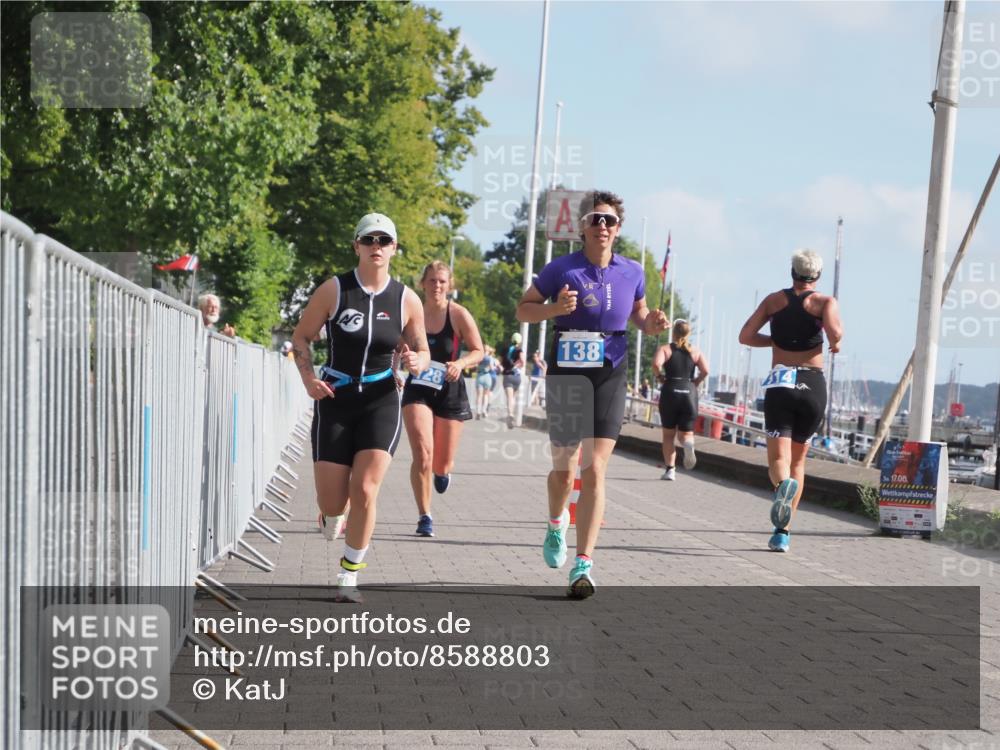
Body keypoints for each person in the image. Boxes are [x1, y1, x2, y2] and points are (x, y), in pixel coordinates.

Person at [516, 190, 668, 598]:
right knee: (564, 473)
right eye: (595, 219)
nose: (603, 226)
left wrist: (651, 324)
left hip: (610, 372)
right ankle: (555, 523)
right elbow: (523, 309)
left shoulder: (632, 271)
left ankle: (583, 565)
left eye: (610, 221)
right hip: (567, 372)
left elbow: (637, 313)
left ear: (618, 230)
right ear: (582, 227)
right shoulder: (560, 269)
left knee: (595, 469)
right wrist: (553, 310)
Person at [290, 212, 429, 600]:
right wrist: (308, 380)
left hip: (382, 398)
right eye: (369, 240)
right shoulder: (333, 290)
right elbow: (300, 337)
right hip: (335, 398)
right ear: (356, 246)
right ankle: (332, 515)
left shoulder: (406, 299)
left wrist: (419, 361)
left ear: (394, 249)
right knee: (332, 502)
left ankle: (350, 572)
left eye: (384, 241)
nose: (376, 247)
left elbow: (422, 349)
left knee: (366, 488)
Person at [738, 248, 842, 553]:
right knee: (799, 461)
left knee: (778, 461)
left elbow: (745, 336)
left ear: (792, 272)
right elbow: (835, 334)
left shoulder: (774, 300)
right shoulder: (825, 302)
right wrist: (833, 342)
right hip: (812, 383)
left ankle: (782, 486)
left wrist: (774, 340)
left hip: (781, 381)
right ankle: (782, 533)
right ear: (818, 275)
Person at [402, 261, 484, 538]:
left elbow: (478, 350)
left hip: (450, 388)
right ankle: (424, 515)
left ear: (450, 286)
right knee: (422, 453)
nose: (436, 286)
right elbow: (395, 346)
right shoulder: (412, 313)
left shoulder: (458, 314)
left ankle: (442, 472)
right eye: (432, 281)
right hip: (418, 387)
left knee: (441, 462)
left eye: (442, 282)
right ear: (422, 284)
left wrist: (460, 363)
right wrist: (394, 370)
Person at [652, 319, 709, 480]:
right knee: (686, 433)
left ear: (674, 332)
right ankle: (688, 444)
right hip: (689, 392)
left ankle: (670, 470)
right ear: (688, 334)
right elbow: (706, 370)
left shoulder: (665, 349)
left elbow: (656, 364)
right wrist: (695, 382)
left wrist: (660, 378)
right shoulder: (695, 352)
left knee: (669, 435)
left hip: (670, 390)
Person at [500, 333, 525, 429]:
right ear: (520, 341)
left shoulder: (505, 349)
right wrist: (516, 366)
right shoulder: (519, 350)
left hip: (508, 375)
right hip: (517, 376)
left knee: (509, 397)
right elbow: (522, 361)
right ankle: (512, 414)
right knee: (513, 397)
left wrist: (507, 367)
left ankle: (510, 413)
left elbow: (501, 361)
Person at [475, 345, 497, 419]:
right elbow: (492, 368)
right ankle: (484, 410)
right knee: (486, 395)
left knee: (479, 396)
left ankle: (478, 411)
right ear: (488, 351)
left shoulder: (479, 357)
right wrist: (495, 368)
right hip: (487, 376)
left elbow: (476, 366)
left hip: (480, 376)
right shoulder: (490, 358)